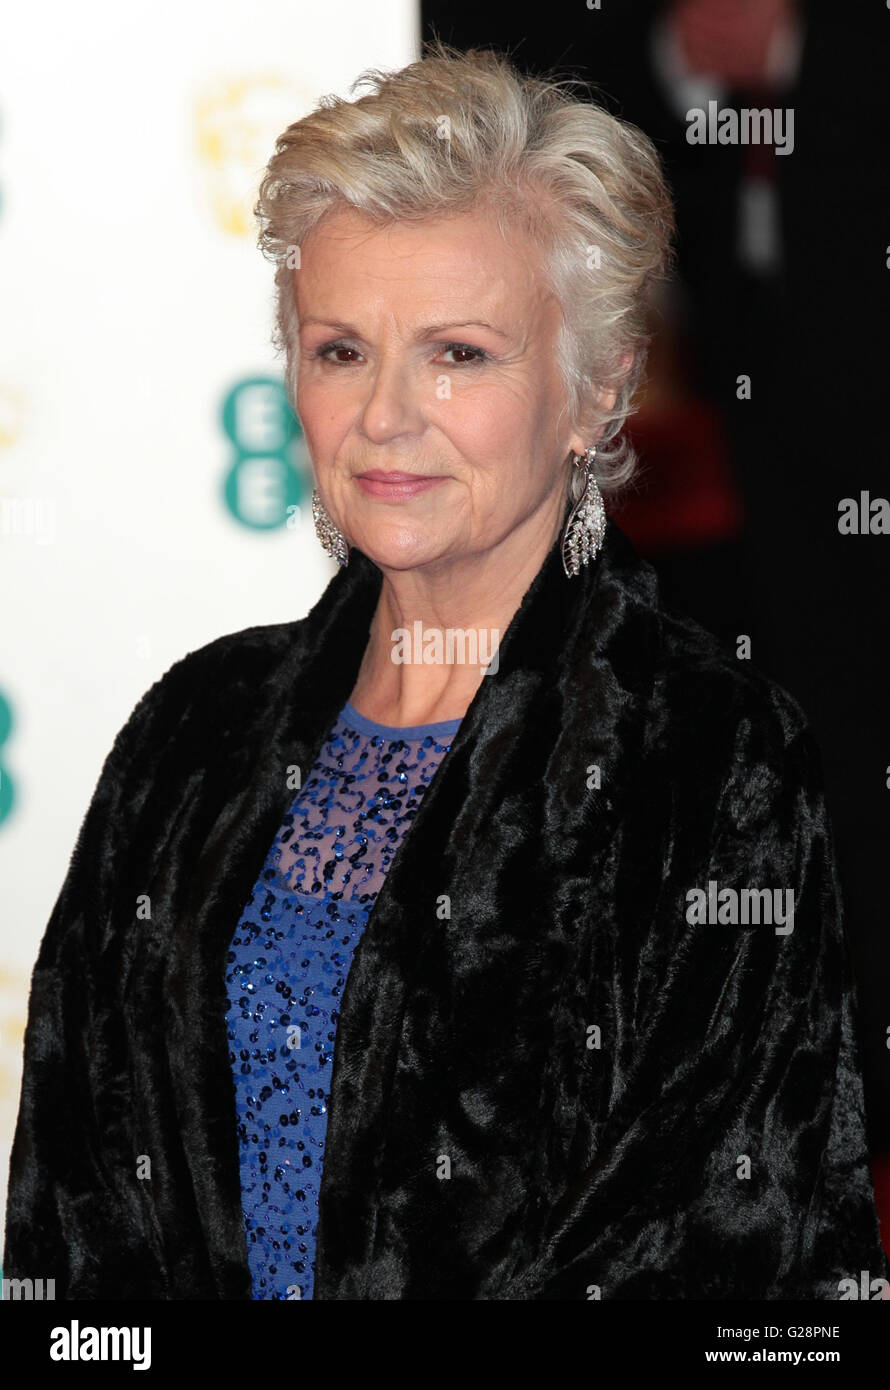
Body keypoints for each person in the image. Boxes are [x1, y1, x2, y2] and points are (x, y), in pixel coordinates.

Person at [4, 41, 885, 1300]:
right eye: (341, 350)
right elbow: (71, 1211)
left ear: (598, 387)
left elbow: (715, 1251)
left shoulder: (709, 759)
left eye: (458, 352)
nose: (384, 418)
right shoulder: (190, 734)